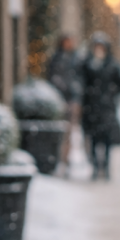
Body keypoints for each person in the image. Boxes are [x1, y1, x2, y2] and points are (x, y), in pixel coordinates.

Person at [80, 32, 120, 181]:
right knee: (93, 139)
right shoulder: (87, 64)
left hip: (106, 108)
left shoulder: (112, 65)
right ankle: (94, 166)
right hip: (91, 108)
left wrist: (111, 92)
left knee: (106, 140)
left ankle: (105, 166)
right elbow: (80, 81)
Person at [46, 35, 81, 176]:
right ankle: (59, 158)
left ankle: (66, 160)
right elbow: (52, 76)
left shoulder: (75, 59)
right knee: (61, 132)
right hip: (59, 99)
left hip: (71, 100)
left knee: (69, 132)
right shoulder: (57, 59)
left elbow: (78, 78)